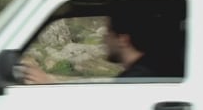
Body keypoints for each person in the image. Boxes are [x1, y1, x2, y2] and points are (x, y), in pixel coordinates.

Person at [21, 7, 174, 84]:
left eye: (107, 33)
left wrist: (49, 85)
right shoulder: (148, 71)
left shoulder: (138, 79)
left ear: (123, 40)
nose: (104, 40)